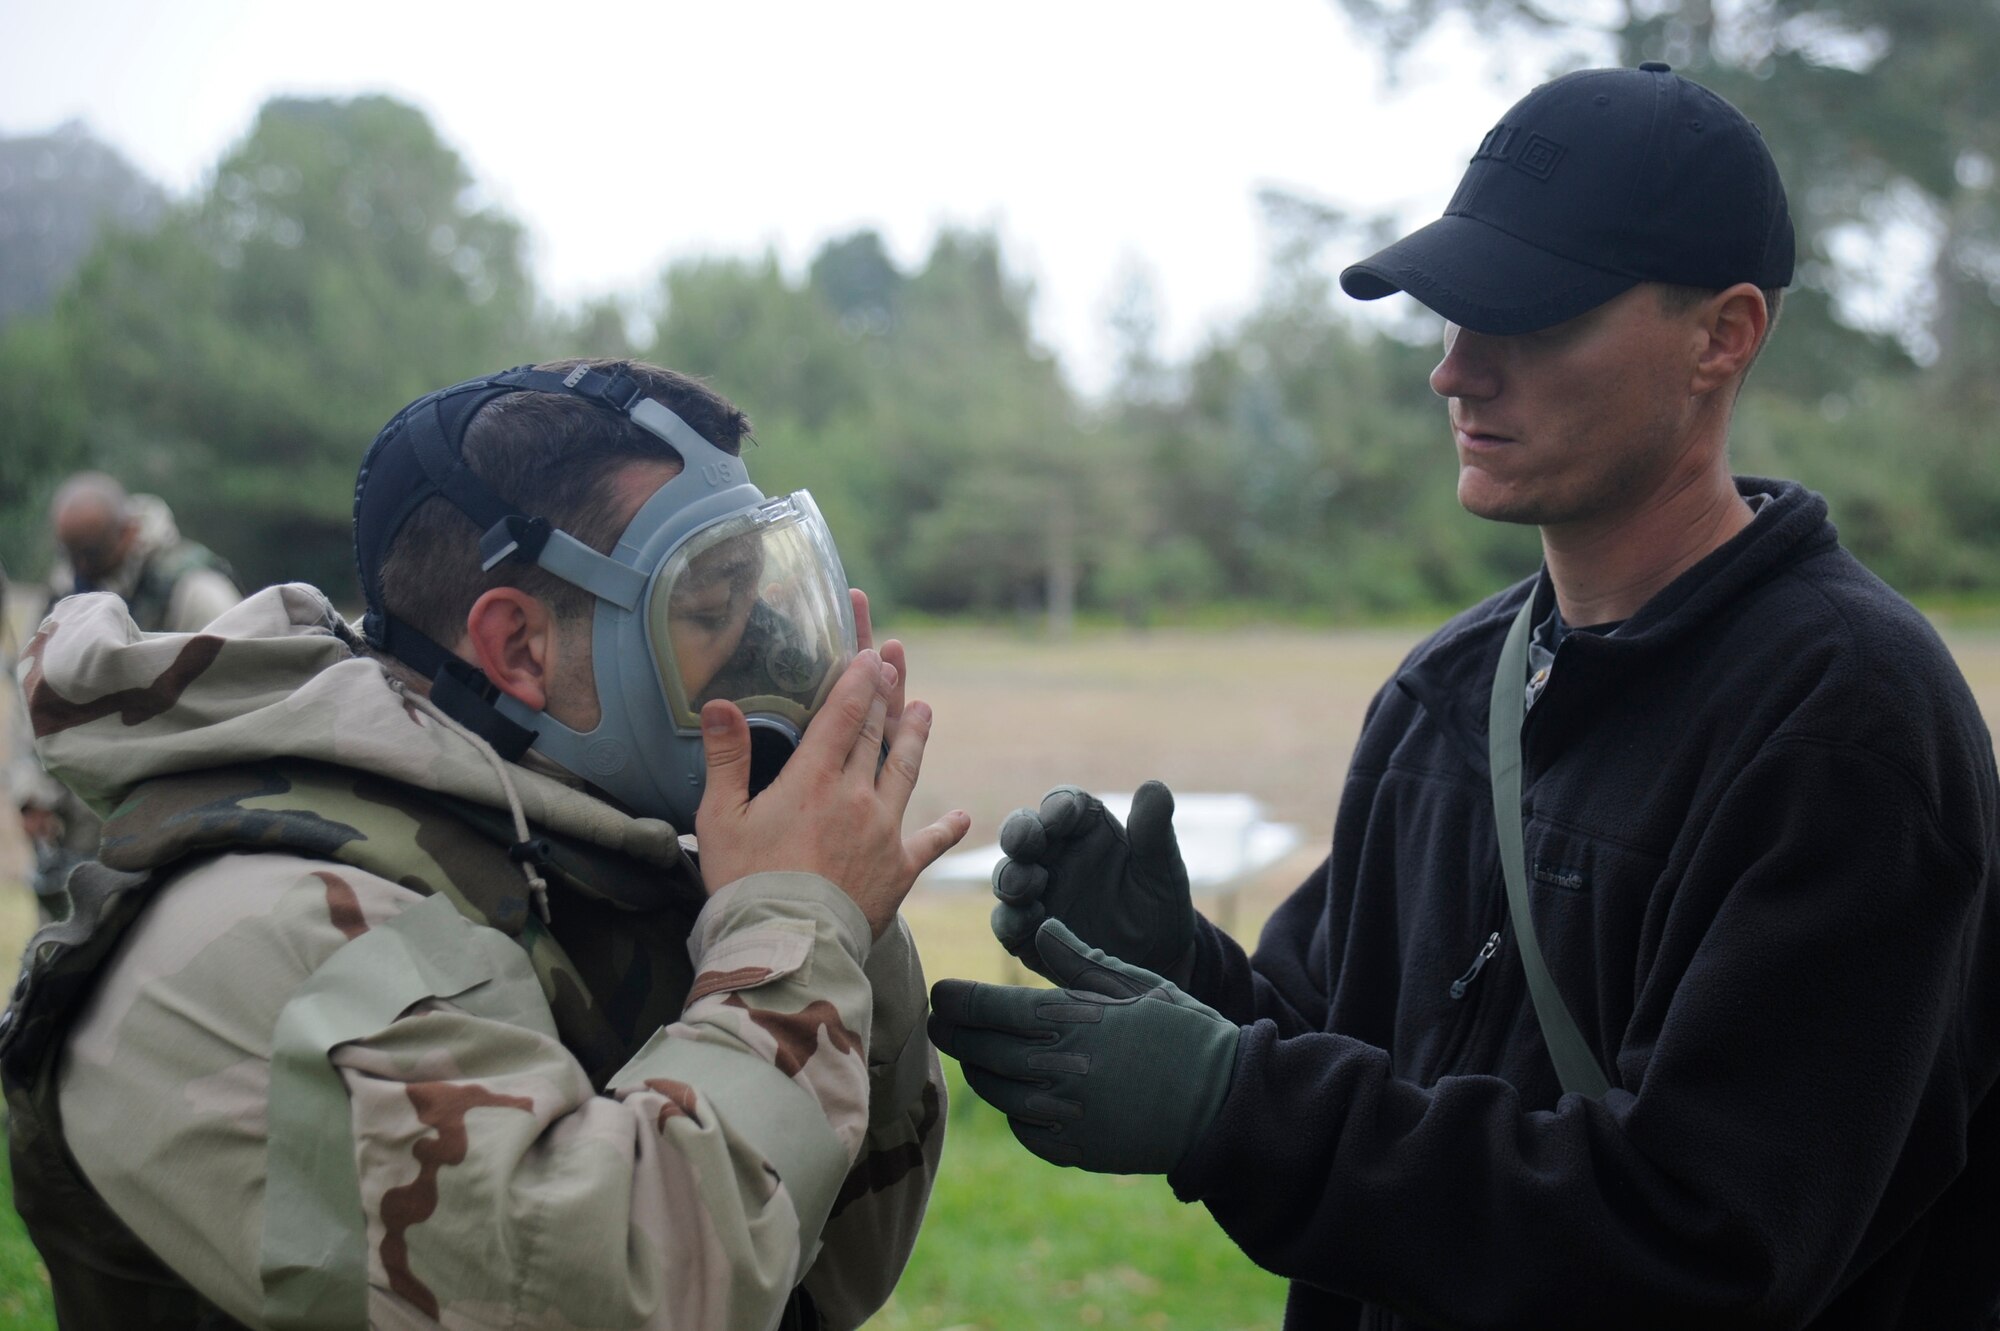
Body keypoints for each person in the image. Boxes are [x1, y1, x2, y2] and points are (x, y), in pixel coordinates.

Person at [930, 64, 2000, 1329]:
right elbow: (1349, 1061)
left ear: (1724, 334)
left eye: (1532, 318)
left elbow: (1703, 1237)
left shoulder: (1846, 726)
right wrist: (1187, 972)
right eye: (1447, 316)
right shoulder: (1447, 690)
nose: (1455, 371)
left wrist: (1231, 1102)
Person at [2, 359, 970, 1330]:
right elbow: (623, 1294)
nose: (768, 651)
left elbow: (820, 1274)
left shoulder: (571, 842)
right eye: (710, 609)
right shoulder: (279, 925)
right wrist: (798, 924)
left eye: (763, 599)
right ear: (518, 649)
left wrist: (839, 915)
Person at [44, 470, 243, 634]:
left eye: (92, 553)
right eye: (69, 553)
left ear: (129, 533)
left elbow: (235, 666)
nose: (81, 566)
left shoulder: (195, 593)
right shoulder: (65, 589)